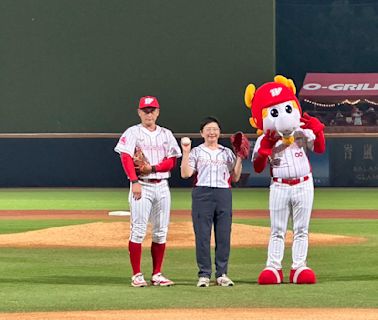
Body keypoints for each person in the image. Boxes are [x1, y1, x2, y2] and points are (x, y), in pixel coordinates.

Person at [244, 75, 326, 285]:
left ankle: (299, 266)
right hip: (279, 185)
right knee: (277, 229)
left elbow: (319, 148)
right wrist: (265, 149)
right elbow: (258, 166)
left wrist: (317, 130)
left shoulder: (300, 131)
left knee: (301, 229)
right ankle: (273, 266)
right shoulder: (265, 138)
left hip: (304, 183)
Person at [114, 96, 182, 287]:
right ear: (139, 112)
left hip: (162, 185)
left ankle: (157, 273)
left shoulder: (166, 134)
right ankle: (137, 274)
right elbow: (126, 158)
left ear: (158, 112)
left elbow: (172, 161)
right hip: (141, 185)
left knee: (161, 231)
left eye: (152, 110)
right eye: (145, 110)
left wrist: (152, 168)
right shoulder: (132, 132)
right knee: (138, 231)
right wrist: (134, 181)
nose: (149, 113)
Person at [180, 116, 243, 287]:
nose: (212, 132)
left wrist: (239, 157)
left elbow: (235, 177)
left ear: (219, 132)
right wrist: (186, 152)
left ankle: (222, 273)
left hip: (223, 193)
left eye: (215, 129)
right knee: (202, 236)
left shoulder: (226, 152)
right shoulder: (197, 152)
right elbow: (185, 174)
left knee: (223, 235)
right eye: (208, 129)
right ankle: (204, 274)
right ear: (202, 133)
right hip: (203, 193)